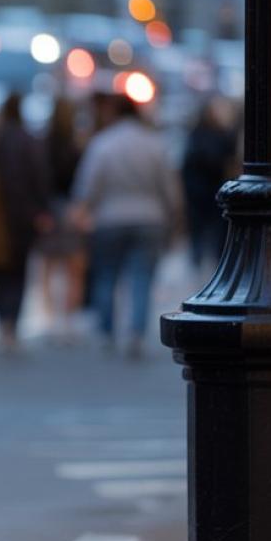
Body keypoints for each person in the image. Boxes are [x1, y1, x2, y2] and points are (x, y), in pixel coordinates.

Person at [71, 94, 183, 359]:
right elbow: (170, 189)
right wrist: (174, 217)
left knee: (107, 275)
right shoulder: (154, 144)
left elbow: (88, 186)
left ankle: (106, 332)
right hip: (150, 218)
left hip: (109, 218)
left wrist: (83, 210)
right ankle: (136, 333)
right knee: (142, 277)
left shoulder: (102, 144)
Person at [0, 92, 50, 351]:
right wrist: (41, 210)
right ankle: (11, 323)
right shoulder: (27, 140)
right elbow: (40, 179)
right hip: (21, 217)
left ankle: (2, 320)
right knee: (18, 271)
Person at [38, 97, 88, 342]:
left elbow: (39, 181)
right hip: (70, 208)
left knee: (48, 265)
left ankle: (50, 318)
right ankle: (68, 318)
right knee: (74, 266)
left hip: (49, 208)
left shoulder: (43, 144)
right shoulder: (76, 146)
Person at [181, 97, 239, 269]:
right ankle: (213, 260)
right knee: (214, 230)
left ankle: (199, 259)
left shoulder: (195, 136)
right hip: (213, 191)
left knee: (200, 229)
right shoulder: (220, 136)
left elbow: (188, 166)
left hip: (199, 193)